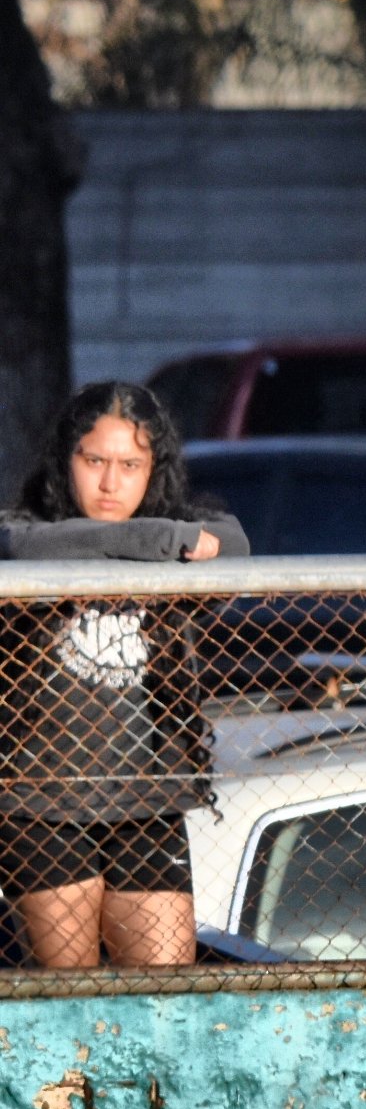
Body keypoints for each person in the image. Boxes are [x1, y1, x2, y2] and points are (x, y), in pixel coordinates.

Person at [0, 382, 248, 969]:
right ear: (67, 462)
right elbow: (25, 548)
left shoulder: (179, 530)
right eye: (95, 462)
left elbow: (233, 544)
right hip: (43, 801)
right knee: (70, 992)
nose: (111, 484)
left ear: (153, 470)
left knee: (165, 987)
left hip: (147, 797)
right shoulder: (29, 532)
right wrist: (161, 542)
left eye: (130, 465)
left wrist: (171, 539)